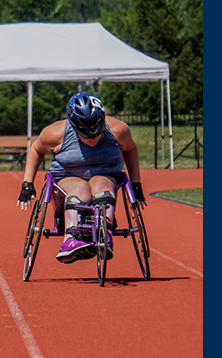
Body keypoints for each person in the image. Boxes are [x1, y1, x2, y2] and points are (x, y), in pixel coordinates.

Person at [16, 92, 143, 263]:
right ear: (74, 126)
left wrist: (136, 184)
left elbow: (130, 149)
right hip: (69, 175)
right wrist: (27, 183)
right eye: (85, 134)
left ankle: (104, 232)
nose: (92, 138)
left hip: (105, 174)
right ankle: (71, 237)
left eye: (96, 133)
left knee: (102, 187)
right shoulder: (55, 133)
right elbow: (36, 150)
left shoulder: (118, 130)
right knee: (80, 189)